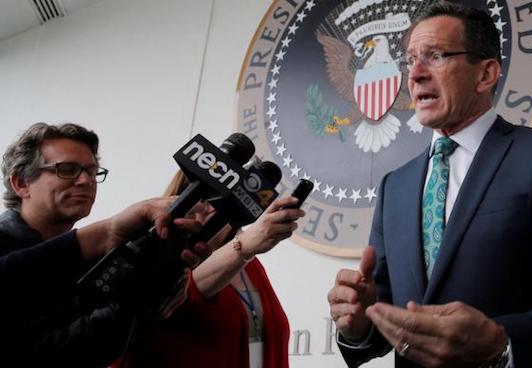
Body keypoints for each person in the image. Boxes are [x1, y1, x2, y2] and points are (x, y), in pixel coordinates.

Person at [327, 2, 532, 368]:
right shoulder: (395, 187)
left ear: (485, 74)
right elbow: (386, 314)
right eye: (409, 60)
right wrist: (359, 326)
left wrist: (501, 341)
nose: (414, 74)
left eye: (435, 56)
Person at [0, 122, 207, 367]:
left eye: (92, 171)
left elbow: (99, 349)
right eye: (67, 169)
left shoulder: (93, 258)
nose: (86, 180)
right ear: (21, 183)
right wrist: (109, 231)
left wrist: (157, 278)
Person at [117, 170, 305, 368]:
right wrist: (244, 247)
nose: (210, 210)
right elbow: (183, 292)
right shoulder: (158, 252)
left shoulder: (250, 265)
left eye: (223, 199)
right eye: (203, 199)